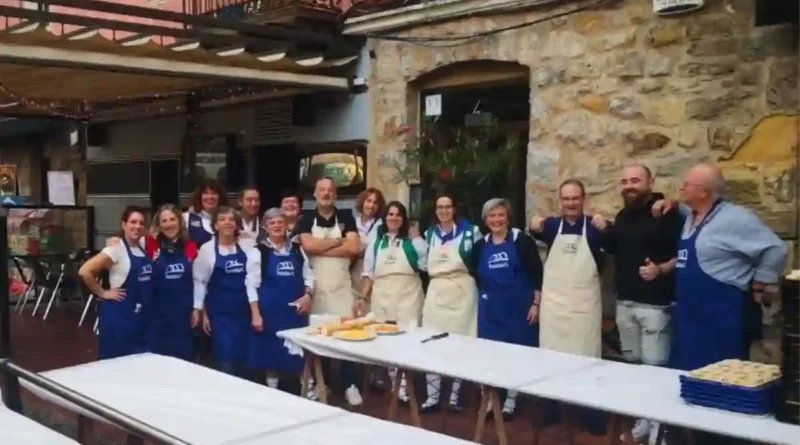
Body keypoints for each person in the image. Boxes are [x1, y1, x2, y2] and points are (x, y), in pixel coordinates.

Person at [593, 165, 683, 444]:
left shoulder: (666, 212)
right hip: (626, 303)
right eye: (625, 181)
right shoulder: (623, 215)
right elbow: (616, 248)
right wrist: (606, 230)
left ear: (649, 182)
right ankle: (644, 420)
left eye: (635, 180)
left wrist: (660, 269)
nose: (629, 185)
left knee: (656, 368)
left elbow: (684, 254)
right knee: (634, 366)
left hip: (656, 305)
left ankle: (661, 427)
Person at [473, 198, 542, 420]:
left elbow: (536, 274)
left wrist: (536, 304)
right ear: (485, 220)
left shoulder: (522, 242)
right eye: (492, 216)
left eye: (500, 215)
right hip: (490, 310)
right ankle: (491, 401)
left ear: (508, 217)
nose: (496, 220)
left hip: (519, 307)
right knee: (489, 356)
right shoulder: (480, 246)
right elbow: (475, 273)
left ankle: (511, 399)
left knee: (517, 354)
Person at [297, 177, 362, 405]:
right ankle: (321, 384)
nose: (326, 194)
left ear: (336, 195)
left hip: (342, 288)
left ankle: (350, 385)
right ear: (315, 194)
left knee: (347, 336)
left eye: (330, 190)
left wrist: (321, 247)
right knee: (320, 338)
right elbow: (308, 246)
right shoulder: (305, 219)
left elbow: (354, 247)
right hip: (317, 288)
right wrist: (338, 242)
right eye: (322, 190)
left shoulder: (345, 217)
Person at [354, 201, 427, 403]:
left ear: (403, 219)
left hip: (408, 294)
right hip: (382, 295)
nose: (393, 218)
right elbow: (368, 274)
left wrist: (418, 239)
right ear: (385, 218)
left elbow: (426, 265)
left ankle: (406, 385)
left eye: (398, 215)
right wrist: (362, 297)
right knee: (386, 339)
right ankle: (396, 384)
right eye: (390, 214)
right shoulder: (376, 243)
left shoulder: (413, 241)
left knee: (408, 338)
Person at [530, 179, 611, 358]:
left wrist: (606, 227)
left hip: (584, 309)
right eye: (566, 199)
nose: (571, 203)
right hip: (554, 308)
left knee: (584, 356)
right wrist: (533, 225)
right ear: (560, 201)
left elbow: (613, 243)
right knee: (551, 357)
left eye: (575, 198)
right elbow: (535, 231)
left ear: (584, 199)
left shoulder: (594, 227)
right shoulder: (551, 226)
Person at [420, 192, 481, 412]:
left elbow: (480, 260)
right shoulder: (428, 235)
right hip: (436, 291)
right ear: (435, 211)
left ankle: (455, 396)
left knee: (461, 342)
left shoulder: (471, 232)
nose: (444, 211)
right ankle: (432, 396)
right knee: (431, 340)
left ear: (454, 209)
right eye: (440, 207)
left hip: (462, 291)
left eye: (448, 206)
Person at [246, 208, 314, 391]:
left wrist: (308, 295)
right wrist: (255, 314)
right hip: (270, 313)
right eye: (272, 223)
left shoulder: (298, 250)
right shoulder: (259, 252)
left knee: (297, 355)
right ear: (265, 227)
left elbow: (309, 276)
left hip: (294, 313)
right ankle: (272, 390)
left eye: (280, 222)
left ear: (286, 225)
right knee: (271, 354)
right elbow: (251, 285)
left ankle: (307, 390)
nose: (276, 226)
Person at [79, 206, 153, 360]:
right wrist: (102, 292)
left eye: (141, 223)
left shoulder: (143, 246)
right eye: (132, 222)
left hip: (139, 320)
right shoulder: (115, 249)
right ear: (123, 224)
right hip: (118, 319)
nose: (137, 226)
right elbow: (85, 271)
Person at [193, 206, 257, 377]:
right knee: (226, 360)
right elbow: (200, 283)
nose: (227, 223)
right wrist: (203, 312)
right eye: (222, 219)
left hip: (245, 312)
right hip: (220, 315)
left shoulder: (248, 245)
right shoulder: (206, 250)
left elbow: (254, 278)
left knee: (246, 360)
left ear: (237, 225)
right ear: (215, 226)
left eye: (231, 219)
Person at [185, 179, 228, 248]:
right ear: (199, 197)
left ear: (220, 197)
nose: (210, 197)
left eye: (214, 193)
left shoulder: (230, 218)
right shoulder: (187, 218)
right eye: (206, 193)